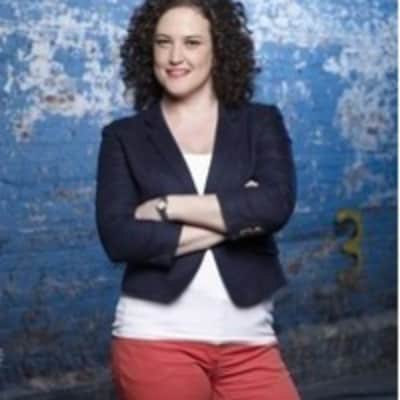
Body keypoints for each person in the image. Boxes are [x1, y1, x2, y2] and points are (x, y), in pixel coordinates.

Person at [95, 0, 300, 399]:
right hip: (154, 339)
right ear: (148, 50)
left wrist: (167, 207)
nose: (175, 57)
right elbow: (120, 238)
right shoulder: (123, 136)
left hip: (251, 342)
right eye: (163, 42)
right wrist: (240, 216)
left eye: (191, 42)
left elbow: (276, 205)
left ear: (218, 49)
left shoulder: (260, 122)